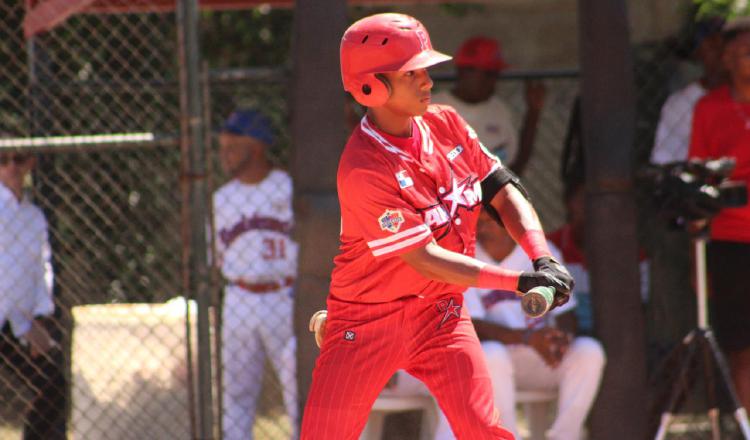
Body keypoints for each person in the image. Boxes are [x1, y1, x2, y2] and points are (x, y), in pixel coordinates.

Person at [301, 13, 573, 439]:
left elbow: (502, 190)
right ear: (372, 86)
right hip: (367, 321)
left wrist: (542, 257)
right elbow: (425, 259)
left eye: (426, 70)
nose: (428, 81)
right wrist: (519, 280)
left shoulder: (445, 123)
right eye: (413, 73)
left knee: (484, 429)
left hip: (440, 314)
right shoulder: (365, 168)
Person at [436, 211, 605, 440]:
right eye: (479, 222)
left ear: (510, 224)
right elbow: (472, 324)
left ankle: (565, 436)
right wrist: (527, 338)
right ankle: (508, 436)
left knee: (589, 351)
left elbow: (566, 311)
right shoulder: (468, 256)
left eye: (489, 221)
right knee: (490, 353)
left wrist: (561, 338)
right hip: (499, 363)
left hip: (543, 358)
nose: (482, 228)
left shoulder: (541, 256)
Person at [212, 109, 299, 439]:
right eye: (223, 146)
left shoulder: (287, 187)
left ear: (258, 147)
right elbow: (215, 256)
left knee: (298, 387)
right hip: (238, 296)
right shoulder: (222, 198)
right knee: (236, 393)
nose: (225, 154)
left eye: (233, 145)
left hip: (284, 294)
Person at [688, 17, 750, 412]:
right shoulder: (709, 108)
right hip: (730, 241)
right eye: (743, 52)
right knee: (741, 347)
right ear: (726, 60)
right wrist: (698, 258)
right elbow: (698, 179)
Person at [0, 149, 67, 439]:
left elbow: (42, 270)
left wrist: (40, 318)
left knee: (52, 386)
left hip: (17, 322)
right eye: (3, 160)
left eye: (19, 159)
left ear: (31, 164)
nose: (12, 167)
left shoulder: (35, 217)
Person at [432, 36, 546, 175]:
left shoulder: (499, 110)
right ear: (464, 71)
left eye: (496, 74)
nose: (493, 81)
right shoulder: (431, 108)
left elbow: (515, 167)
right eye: (488, 73)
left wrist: (533, 113)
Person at [651, 18, 726, 165]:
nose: (721, 53)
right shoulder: (679, 104)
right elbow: (666, 161)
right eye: (712, 45)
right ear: (697, 53)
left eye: (725, 45)